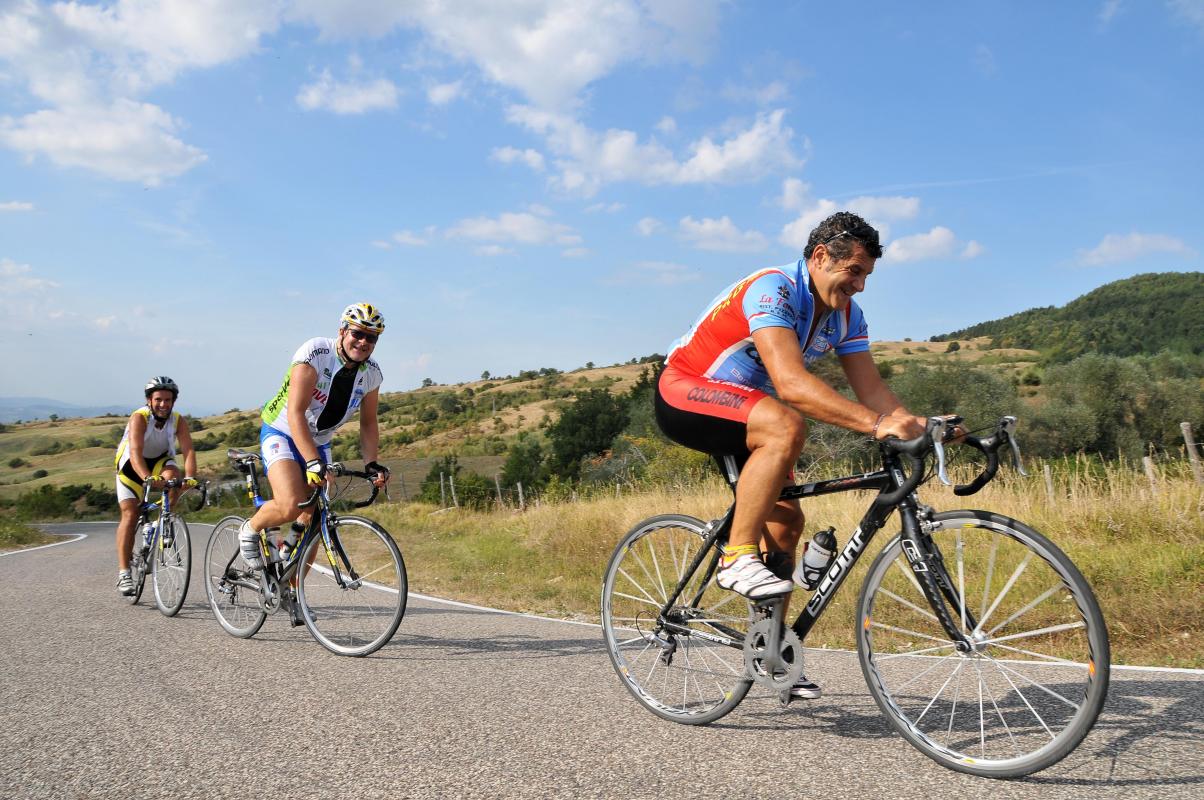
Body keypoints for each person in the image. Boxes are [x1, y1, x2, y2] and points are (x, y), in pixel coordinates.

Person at [655, 211, 932, 698]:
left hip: (747, 412)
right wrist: (876, 426)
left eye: (867, 275)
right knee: (786, 422)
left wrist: (924, 425)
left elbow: (874, 392)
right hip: (686, 391)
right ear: (821, 257)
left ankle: (773, 650)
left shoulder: (847, 315)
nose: (861, 286)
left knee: (785, 523)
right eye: (855, 272)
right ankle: (735, 557)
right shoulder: (774, 289)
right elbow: (790, 384)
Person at [238, 304, 391, 599]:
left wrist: (372, 463)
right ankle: (251, 527)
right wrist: (311, 462)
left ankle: (292, 588)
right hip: (282, 430)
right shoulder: (316, 354)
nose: (363, 342)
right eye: (358, 334)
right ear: (342, 331)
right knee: (291, 504)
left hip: (319, 440)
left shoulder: (371, 374)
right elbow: (296, 413)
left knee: (317, 517)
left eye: (372, 338)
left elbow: (368, 423)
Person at [114, 376, 197, 595]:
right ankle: (124, 573)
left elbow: (188, 450)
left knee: (174, 477)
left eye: (168, 400)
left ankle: (163, 523)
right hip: (131, 465)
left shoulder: (178, 420)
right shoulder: (139, 418)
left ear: (173, 401)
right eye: (158, 399)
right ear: (149, 401)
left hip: (160, 460)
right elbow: (134, 452)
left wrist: (190, 477)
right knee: (130, 514)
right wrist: (147, 477)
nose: (163, 404)